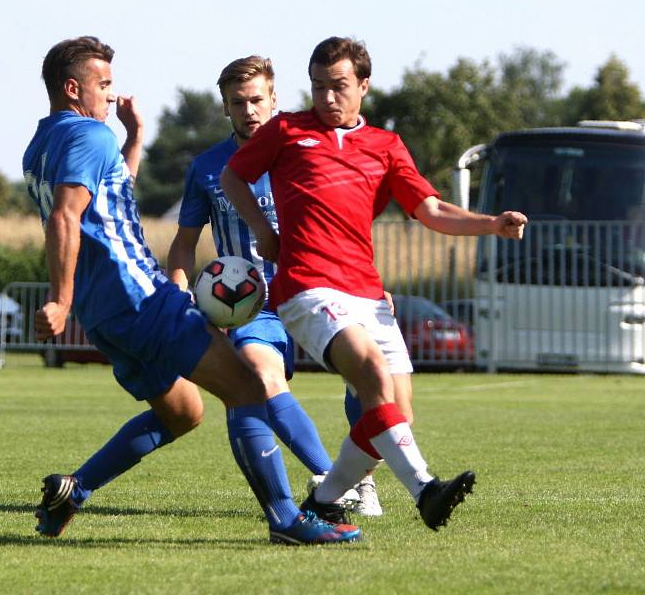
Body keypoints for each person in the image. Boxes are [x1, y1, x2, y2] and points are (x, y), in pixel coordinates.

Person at [22, 36, 361, 545]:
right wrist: (59, 298)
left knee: (183, 412)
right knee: (247, 387)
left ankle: (75, 489)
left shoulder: (42, 145)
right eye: (104, 85)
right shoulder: (89, 137)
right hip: (139, 298)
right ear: (74, 88)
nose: (112, 96)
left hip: (106, 316)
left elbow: (107, 196)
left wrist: (134, 138)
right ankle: (288, 520)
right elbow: (66, 217)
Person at [221, 36, 528, 531]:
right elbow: (233, 177)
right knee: (370, 373)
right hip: (307, 287)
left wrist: (491, 223)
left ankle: (321, 502)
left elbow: (430, 209)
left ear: (363, 85)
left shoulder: (385, 146)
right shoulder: (286, 130)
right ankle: (426, 489)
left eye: (338, 86)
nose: (326, 98)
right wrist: (263, 231)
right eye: (317, 87)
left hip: (366, 291)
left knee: (394, 413)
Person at [167, 55, 378, 519]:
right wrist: (180, 288)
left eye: (257, 99)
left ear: (275, 98)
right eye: (238, 102)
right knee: (263, 380)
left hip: (320, 291)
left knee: (365, 381)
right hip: (252, 306)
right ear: (225, 107)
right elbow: (183, 245)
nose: (249, 110)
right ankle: (333, 480)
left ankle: (365, 478)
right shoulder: (208, 167)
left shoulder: (308, 148)